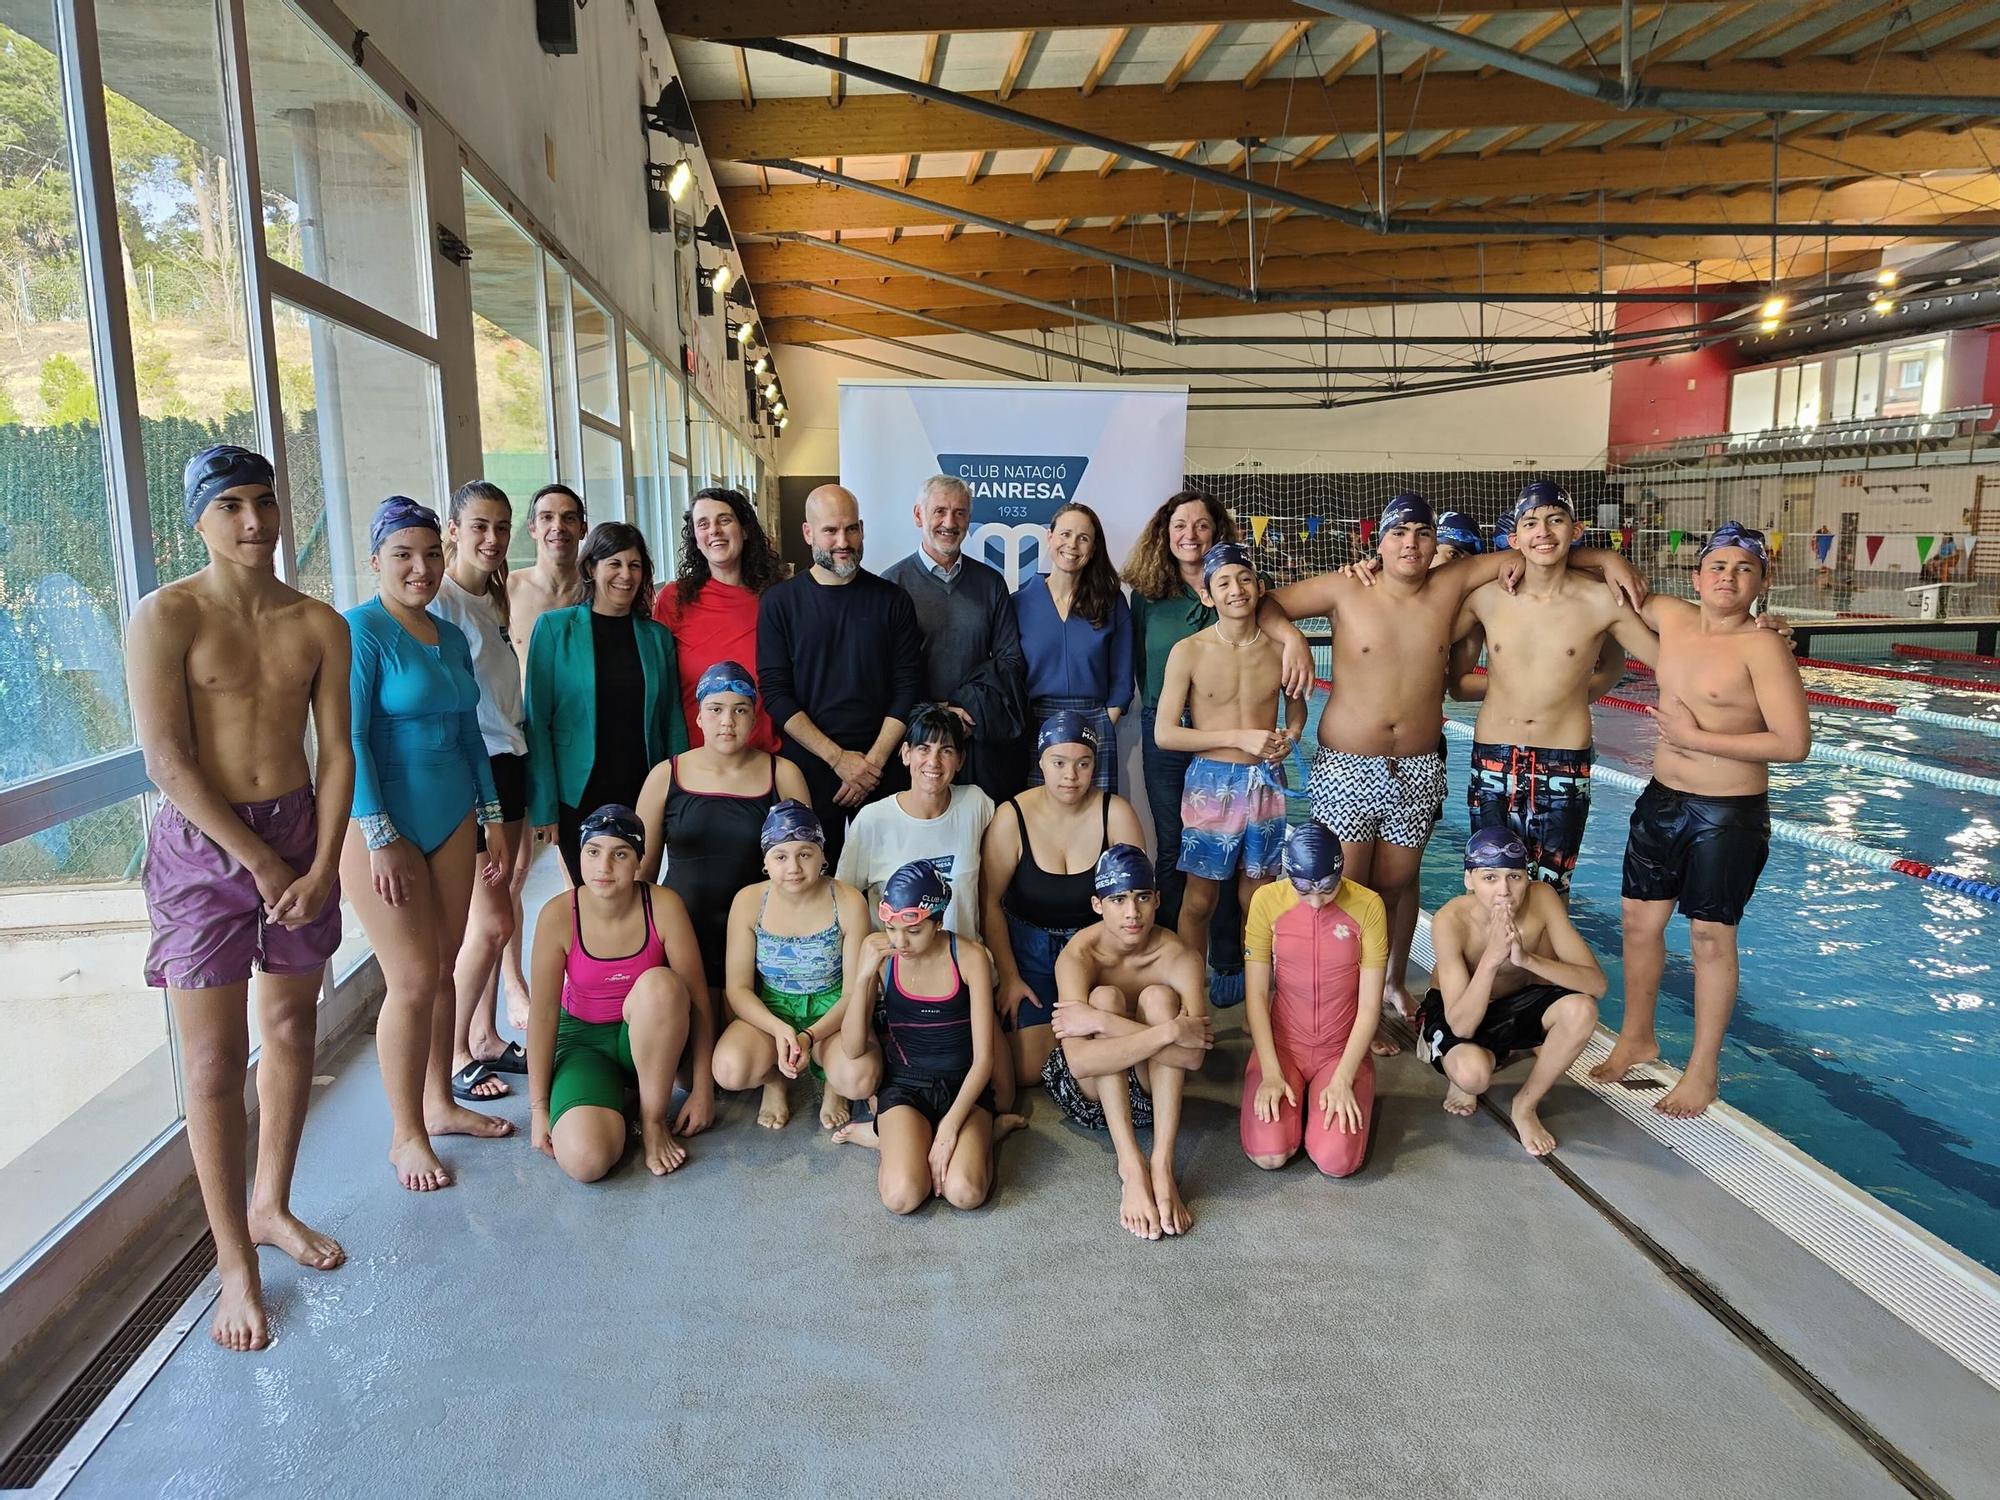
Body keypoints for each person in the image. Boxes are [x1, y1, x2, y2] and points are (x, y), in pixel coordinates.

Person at [1261, 492, 1642, 1034]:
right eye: (1398, 533)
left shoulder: (1453, 583)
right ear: (1377, 542)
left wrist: (1605, 557)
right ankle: (1340, 1007)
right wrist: (1293, 638)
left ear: (1434, 541)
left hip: (1416, 766)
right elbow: (1266, 600)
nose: (1410, 544)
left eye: (1421, 533)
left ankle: (1388, 987)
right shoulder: (1347, 586)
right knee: (1347, 888)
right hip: (1347, 763)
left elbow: (1534, 553)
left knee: (1396, 886)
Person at [126, 445, 353, 1352]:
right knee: (215, 1063)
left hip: (298, 833)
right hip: (204, 848)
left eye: (264, 501)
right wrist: (257, 861)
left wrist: (323, 857)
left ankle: (273, 1206)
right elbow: (166, 761)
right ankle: (233, 1263)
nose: (254, 522)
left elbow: (336, 753)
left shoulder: (317, 623)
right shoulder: (166, 615)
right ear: (199, 519)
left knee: (294, 1031)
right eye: (231, 506)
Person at [1593, 523, 1810, 1116]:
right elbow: (1586, 572)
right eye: (1717, 565)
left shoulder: (1763, 646)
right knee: (1638, 925)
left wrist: (1697, 737)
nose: (1728, 577)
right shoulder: (1672, 617)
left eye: (1744, 568)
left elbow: (1794, 743)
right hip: (1663, 798)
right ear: (1696, 576)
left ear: (1762, 582)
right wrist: (1608, 555)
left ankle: (1703, 1070)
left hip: (1727, 812)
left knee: (1711, 938)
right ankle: (1637, 1037)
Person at [342, 497, 515, 1192]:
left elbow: (473, 733)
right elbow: (346, 740)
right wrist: (377, 833)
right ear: (376, 560)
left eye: (430, 555)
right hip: (385, 823)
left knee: (442, 969)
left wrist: (492, 814)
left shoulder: (446, 635)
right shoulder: (359, 631)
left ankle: (440, 1103)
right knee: (412, 979)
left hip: (452, 815)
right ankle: (403, 1132)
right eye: (403, 556)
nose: (420, 568)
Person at [1452, 481, 1659, 897]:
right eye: (1531, 523)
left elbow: (1669, 662)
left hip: (1562, 760)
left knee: (1549, 892)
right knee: (1487, 889)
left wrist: (1750, 637)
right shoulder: (1486, 599)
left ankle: (1540, 965)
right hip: (1493, 756)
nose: (1543, 532)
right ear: (1515, 539)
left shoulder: (1603, 600)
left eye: (1555, 520)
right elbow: (1437, 661)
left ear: (1575, 530)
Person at [525, 806, 711, 1181]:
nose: (604, 866)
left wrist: (703, 1089)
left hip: (647, 1036)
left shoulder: (663, 905)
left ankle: (653, 1120)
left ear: (639, 862)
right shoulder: (558, 915)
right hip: (583, 1044)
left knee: (661, 985)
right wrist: (539, 1108)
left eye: (620, 853)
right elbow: (543, 1016)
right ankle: (614, 1098)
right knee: (585, 1162)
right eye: (593, 852)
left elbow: (698, 1000)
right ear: (579, 856)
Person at [1042, 845, 1213, 1241]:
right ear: (1098, 905)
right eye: (1118, 900)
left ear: (1157, 900)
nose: (1132, 913)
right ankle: (1131, 1167)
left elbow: (1194, 1058)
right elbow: (1081, 1063)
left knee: (1157, 1000)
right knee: (1106, 997)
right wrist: (1169, 1032)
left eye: (1141, 898)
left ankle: (1162, 1164)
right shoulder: (1077, 956)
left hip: (1155, 1093)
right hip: (1090, 1096)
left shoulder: (1178, 956)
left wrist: (1104, 1023)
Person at [1121, 489, 1253, 999]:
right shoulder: (1149, 596)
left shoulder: (1236, 588)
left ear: (1217, 532)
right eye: (1180, 526)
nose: (1190, 535)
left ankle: (1225, 957)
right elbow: (1138, 665)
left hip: (1224, 736)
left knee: (1227, 849)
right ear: (1165, 533)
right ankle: (1176, 953)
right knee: (1177, 846)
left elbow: (1278, 630)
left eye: (1201, 525)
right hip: (1168, 733)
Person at [1154, 541, 1304, 974]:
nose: (1236, 589)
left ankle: (1256, 999)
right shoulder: (1190, 651)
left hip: (1264, 783)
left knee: (1256, 900)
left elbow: (1297, 713)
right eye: (1223, 582)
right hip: (1210, 784)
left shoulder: (1279, 650)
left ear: (1259, 588)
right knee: (1200, 899)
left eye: (1244, 579)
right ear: (1207, 595)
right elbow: (1165, 734)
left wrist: (1289, 738)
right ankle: (1189, 996)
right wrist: (1239, 737)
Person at [982, 711, 1146, 1105]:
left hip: (1097, 953)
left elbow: (1136, 902)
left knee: (1119, 1041)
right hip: (1031, 954)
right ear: (1041, 762)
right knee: (1023, 1070)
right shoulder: (1011, 816)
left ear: (1095, 764)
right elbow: (988, 903)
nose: (1070, 776)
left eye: (1083, 763)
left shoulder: (1115, 812)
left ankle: (1091, 1041)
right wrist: (1008, 976)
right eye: (1059, 763)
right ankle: (1089, 1044)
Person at [757, 484, 924, 867]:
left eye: (851, 529)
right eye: (830, 530)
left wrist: (873, 763)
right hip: (809, 773)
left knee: (892, 882)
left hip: (882, 770)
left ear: (862, 529)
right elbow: (776, 693)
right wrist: (838, 759)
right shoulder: (780, 603)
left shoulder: (892, 600)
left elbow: (907, 686)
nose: (842, 541)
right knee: (814, 885)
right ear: (808, 533)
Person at [432, 481, 531, 1105]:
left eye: (501, 527)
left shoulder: (491, 594)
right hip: (478, 771)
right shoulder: (438, 601)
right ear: (453, 528)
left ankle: (485, 1034)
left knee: (500, 903)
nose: (492, 539)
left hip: (509, 758)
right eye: (479, 527)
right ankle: (452, 1055)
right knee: (491, 920)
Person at [1418, 828, 1605, 1155]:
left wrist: (1527, 959)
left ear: (1526, 877)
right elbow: (1461, 1025)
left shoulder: (1543, 899)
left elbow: (1596, 985)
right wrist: (1491, 959)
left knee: (1582, 1010)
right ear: (1469, 880)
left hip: (1510, 1005)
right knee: (1473, 1076)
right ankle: (1442, 1044)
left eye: (1515, 877)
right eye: (1490, 877)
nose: (1504, 890)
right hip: (1457, 1008)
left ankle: (1525, 1105)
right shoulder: (1451, 920)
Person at [829, 860, 997, 1213]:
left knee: (965, 1193)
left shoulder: (969, 957)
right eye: (890, 928)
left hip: (963, 1084)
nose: (899, 941)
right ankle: (892, 1135)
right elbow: (853, 1047)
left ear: (938, 922)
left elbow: (984, 1060)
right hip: (906, 1084)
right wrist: (862, 978)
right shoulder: (881, 954)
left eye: (914, 930)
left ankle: (973, 1133)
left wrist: (950, 1127)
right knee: (902, 1197)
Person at [524, 521, 687, 884]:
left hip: (642, 788)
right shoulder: (554, 629)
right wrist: (544, 807)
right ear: (591, 568)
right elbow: (538, 722)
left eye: (634, 565)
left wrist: (678, 793)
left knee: (638, 891)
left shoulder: (656, 637)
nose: (625, 575)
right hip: (577, 793)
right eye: (614, 563)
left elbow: (671, 717)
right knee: (591, 895)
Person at [634, 661, 810, 993]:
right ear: (699, 716)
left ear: (755, 719)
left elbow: (807, 869)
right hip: (680, 936)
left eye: (740, 710)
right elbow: (641, 878)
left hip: (762, 938)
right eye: (716, 709)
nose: (727, 721)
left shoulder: (784, 775)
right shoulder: (664, 776)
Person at [712, 800, 871, 1131]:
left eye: (805, 853)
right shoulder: (748, 901)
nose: (794, 866)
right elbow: (738, 989)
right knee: (729, 1069)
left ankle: (833, 1083)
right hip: (773, 1007)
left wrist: (810, 1036)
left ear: (823, 856)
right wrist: (778, 1029)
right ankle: (774, 1080)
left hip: (834, 1008)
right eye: (781, 856)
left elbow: (855, 992)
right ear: (766, 862)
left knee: (859, 1079)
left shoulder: (848, 900)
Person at [1240, 823, 1385, 1178]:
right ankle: (1300, 1102)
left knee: (1336, 1162)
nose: (1317, 900)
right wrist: (1271, 1072)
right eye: (1303, 889)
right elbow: (1257, 996)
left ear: (1341, 872)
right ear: (1289, 876)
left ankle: (1319, 1101)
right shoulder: (1267, 901)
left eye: (1328, 888)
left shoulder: (1368, 906)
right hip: (1283, 1046)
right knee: (1270, 1154)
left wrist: (1343, 1077)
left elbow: (1369, 1007)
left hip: (1339, 1051)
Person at [498, 484, 587, 1029]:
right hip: (517, 742)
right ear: (532, 529)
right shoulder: (505, 590)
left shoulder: (595, 590)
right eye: (547, 517)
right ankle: (514, 983)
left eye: (569, 518)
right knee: (512, 871)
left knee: (576, 867)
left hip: (574, 742)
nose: (558, 527)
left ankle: (583, 970)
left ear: (582, 527)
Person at [883, 475, 1029, 803]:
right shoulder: (891, 586)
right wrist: (939, 713)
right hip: (917, 743)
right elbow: (884, 673)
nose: (950, 522)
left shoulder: (991, 583)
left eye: (960, 513)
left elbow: (1010, 661)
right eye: (940, 512)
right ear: (919, 515)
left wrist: (965, 709)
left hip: (978, 739)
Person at [837, 704, 994, 940]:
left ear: (960, 760)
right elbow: (843, 904)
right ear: (906, 753)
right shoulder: (873, 819)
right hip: (897, 968)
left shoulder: (976, 804)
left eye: (946, 750)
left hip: (964, 967)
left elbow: (993, 893)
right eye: (924, 748)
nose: (934, 761)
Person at [1011, 501, 1133, 791]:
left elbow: (1123, 676)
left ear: (1093, 548)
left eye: (1083, 538)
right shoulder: (1017, 603)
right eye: (1065, 534)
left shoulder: (1112, 602)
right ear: (1049, 537)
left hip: (1094, 722)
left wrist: (1104, 723)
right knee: (1038, 822)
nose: (1072, 545)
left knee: (1093, 822)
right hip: (1035, 724)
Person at [654, 487, 783, 754]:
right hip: (694, 759)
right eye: (703, 524)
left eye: (724, 520)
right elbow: (660, 689)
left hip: (763, 758)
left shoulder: (776, 599)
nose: (714, 530)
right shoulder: (674, 599)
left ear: (745, 530)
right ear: (696, 538)